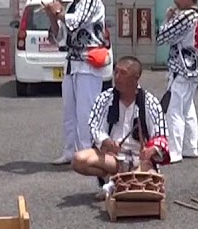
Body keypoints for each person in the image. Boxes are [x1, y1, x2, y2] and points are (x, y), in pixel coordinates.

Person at [71, 56, 168, 199]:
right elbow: (94, 126)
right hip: (114, 159)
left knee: (156, 190)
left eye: (123, 73)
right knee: (78, 160)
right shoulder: (105, 98)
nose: (117, 77)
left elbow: (161, 135)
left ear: (136, 78)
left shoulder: (150, 102)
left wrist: (151, 150)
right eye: (116, 72)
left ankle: (116, 184)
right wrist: (107, 142)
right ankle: (116, 179)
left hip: (140, 161)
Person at [47, 0, 109, 165]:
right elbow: (59, 37)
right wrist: (51, 17)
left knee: (86, 111)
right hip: (72, 63)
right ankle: (69, 151)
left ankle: (87, 153)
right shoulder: (71, 6)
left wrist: (59, 13)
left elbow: (77, 22)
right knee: (69, 111)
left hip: (89, 62)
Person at [154, 0, 198, 163]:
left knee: (175, 110)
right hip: (194, 68)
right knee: (187, 110)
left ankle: (174, 152)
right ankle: (190, 146)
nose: (175, 0)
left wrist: (167, 20)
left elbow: (162, 36)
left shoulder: (185, 16)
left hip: (182, 69)